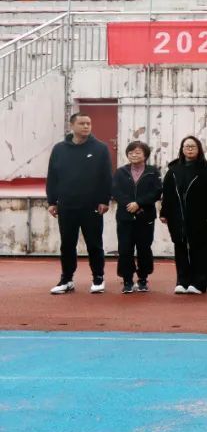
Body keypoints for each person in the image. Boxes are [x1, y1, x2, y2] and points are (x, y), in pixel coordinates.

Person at [46, 112, 113, 295]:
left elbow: (106, 176)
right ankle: (66, 279)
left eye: (88, 123)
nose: (86, 126)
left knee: (94, 244)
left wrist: (105, 200)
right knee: (67, 244)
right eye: (82, 123)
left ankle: (98, 278)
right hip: (66, 205)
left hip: (92, 206)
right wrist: (52, 201)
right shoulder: (59, 149)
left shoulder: (100, 148)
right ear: (72, 126)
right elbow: (53, 176)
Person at [160, 136, 207, 294]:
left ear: (199, 149)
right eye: (186, 146)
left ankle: (199, 283)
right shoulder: (173, 170)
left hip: (201, 216)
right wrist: (164, 212)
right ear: (182, 149)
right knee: (180, 248)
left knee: (200, 249)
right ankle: (182, 281)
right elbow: (167, 193)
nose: (190, 149)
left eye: (193, 146)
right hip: (178, 216)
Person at [112, 140, 163, 293]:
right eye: (131, 152)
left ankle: (143, 279)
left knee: (144, 248)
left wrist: (139, 203)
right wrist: (129, 204)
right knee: (125, 249)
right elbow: (115, 190)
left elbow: (156, 192)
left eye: (138, 152)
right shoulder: (120, 172)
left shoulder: (153, 172)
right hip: (125, 217)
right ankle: (127, 280)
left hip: (145, 216)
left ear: (145, 155)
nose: (134, 155)